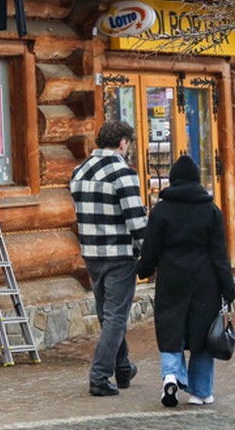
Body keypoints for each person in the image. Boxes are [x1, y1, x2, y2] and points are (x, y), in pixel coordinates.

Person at [136, 155, 235, 407]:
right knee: (203, 335)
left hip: (171, 278)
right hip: (205, 281)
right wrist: (228, 287)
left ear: (173, 180)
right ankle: (200, 392)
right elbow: (219, 254)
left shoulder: (161, 211)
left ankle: (171, 375)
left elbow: (151, 249)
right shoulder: (211, 210)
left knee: (171, 329)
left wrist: (143, 269)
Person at [69, 120, 148, 397]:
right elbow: (137, 222)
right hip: (119, 255)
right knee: (115, 317)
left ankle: (123, 367)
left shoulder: (78, 172)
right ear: (123, 143)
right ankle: (99, 377)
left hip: (91, 254)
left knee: (107, 315)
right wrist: (151, 254)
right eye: (128, 144)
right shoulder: (122, 173)